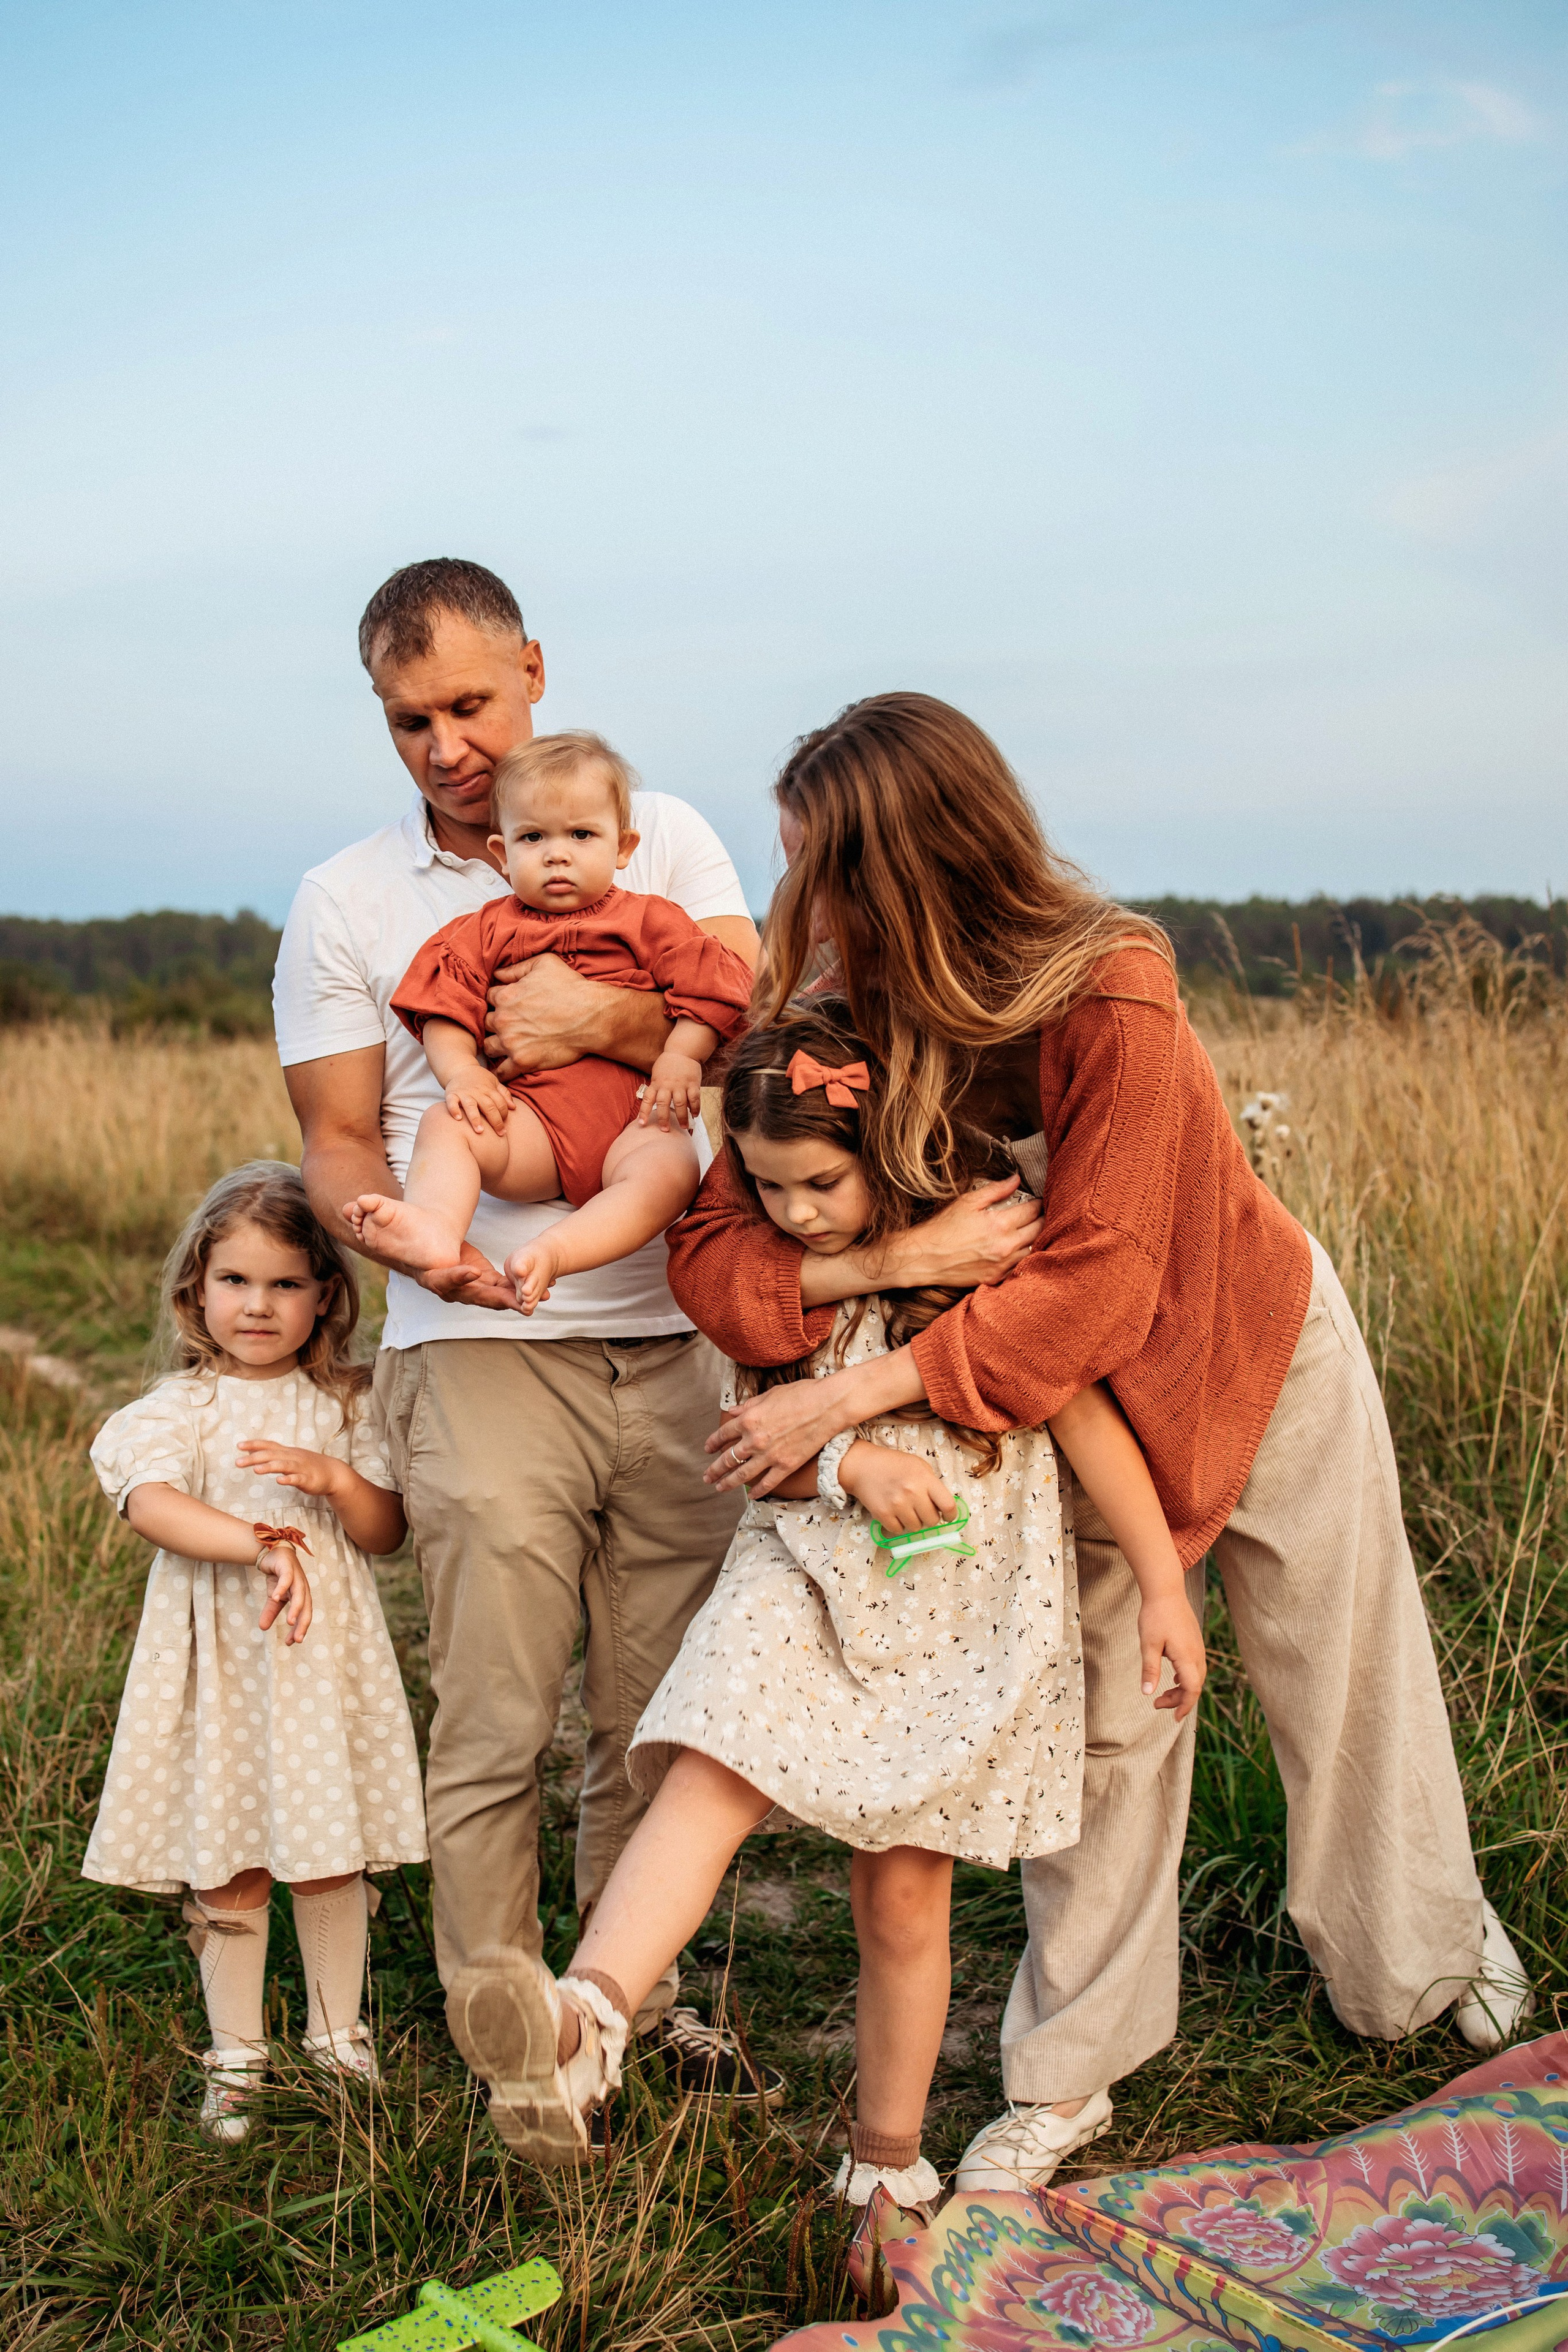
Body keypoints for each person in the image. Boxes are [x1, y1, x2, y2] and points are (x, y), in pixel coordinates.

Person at [663, 691, 1532, 2193]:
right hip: (1058, 1405)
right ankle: (1070, 2075)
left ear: (912, 858)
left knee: (1338, 1654)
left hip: (1242, 1333)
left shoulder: (1109, 981)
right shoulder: (833, 1005)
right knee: (1112, 1715)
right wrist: (853, 1276)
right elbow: (707, 1241)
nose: (798, 891)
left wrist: (844, 1394)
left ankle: (1416, 1951)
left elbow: (1101, 1277)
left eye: (818, 859)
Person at [443, 1009, 1204, 2254]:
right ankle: (586, 2018)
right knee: (712, 1758)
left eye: (819, 1183)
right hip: (800, 1576)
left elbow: (1082, 1419)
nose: (793, 1212)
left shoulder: (989, 1256)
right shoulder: (783, 1297)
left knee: (901, 1901)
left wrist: (1166, 1588)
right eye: (765, 1183)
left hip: (960, 1615)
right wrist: (847, 1459)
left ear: (887, 1147)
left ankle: (884, 2173)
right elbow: (757, 1451)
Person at [272, 558, 768, 2097]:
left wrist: (598, 1024)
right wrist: (413, 1241)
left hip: (666, 1330)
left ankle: (633, 2002)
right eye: (406, 719)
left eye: (469, 704)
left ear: (534, 670)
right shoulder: (347, 897)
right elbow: (340, 1135)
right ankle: (503, 2023)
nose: (443, 746)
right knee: (495, 1704)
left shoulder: (656, 826)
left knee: (657, 1704)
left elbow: (745, 1025)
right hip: (475, 1343)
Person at [84, 1162, 426, 2144]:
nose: (259, 1305)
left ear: (326, 1295)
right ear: (197, 1289)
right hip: (218, 1670)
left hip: (319, 1666)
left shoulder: (350, 1406)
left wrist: (331, 1479)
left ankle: (337, 2035)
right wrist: (259, 1543)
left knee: (327, 1852)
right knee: (226, 1856)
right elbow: (152, 1504)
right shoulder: (179, 1409)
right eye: (236, 1281)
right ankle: (236, 2051)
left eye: (285, 1284)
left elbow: (384, 1532)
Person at [347, 730, 753, 1311]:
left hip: (641, 1120)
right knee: (447, 1123)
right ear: (502, 852)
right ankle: (436, 1226)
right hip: (532, 1126)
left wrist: (679, 1056)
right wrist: (461, 1071)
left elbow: (714, 991)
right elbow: (443, 1002)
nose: (556, 854)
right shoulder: (485, 930)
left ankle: (555, 1253)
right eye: (532, 837)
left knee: (673, 1169)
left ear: (623, 847)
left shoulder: (651, 922)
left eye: (581, 835)